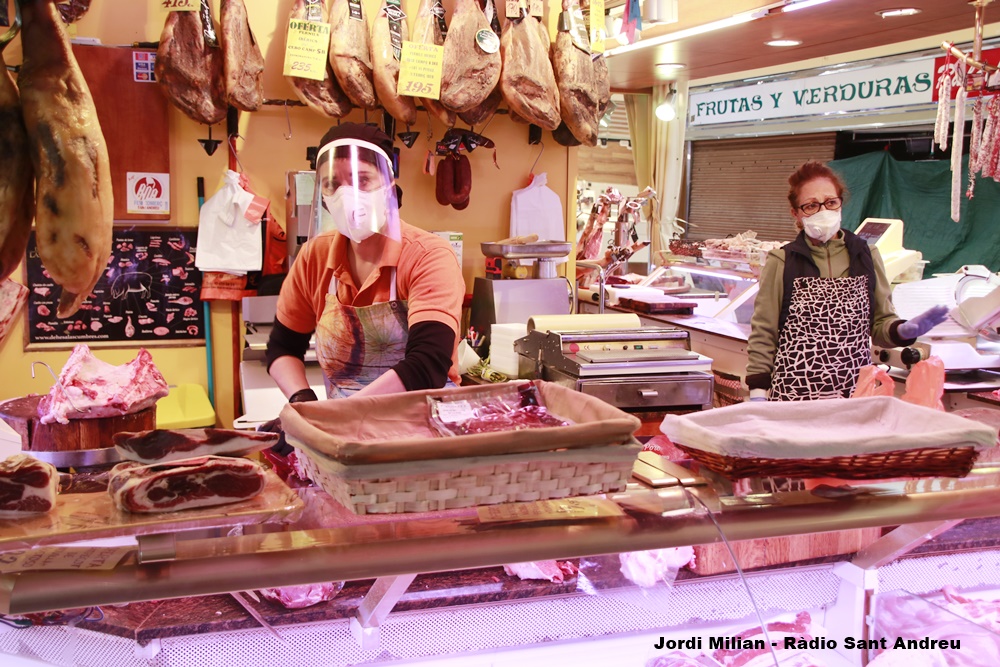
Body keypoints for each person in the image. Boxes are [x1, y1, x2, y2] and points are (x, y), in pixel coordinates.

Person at [265, 123, 465, 406]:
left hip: (424, 424)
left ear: (388, 188)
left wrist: (338, 415)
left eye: (362, 180)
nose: (347, 195)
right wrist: (303, 402)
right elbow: (282, 347)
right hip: (345, 430)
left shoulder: (428, 255)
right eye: (332, 184)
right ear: (322, 195)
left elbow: (428, 363)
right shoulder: (314, 257)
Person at [745, 161, 948, 402]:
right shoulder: (783, 260)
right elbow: (764, 332)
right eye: (811, 205)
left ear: (841, 203)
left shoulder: (866, 256)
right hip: (794, 391)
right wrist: (757, 390)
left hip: (854, 392)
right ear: (796, 213)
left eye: (831, 202)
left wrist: (903, 330)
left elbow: (880, 323)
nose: (823, 211)